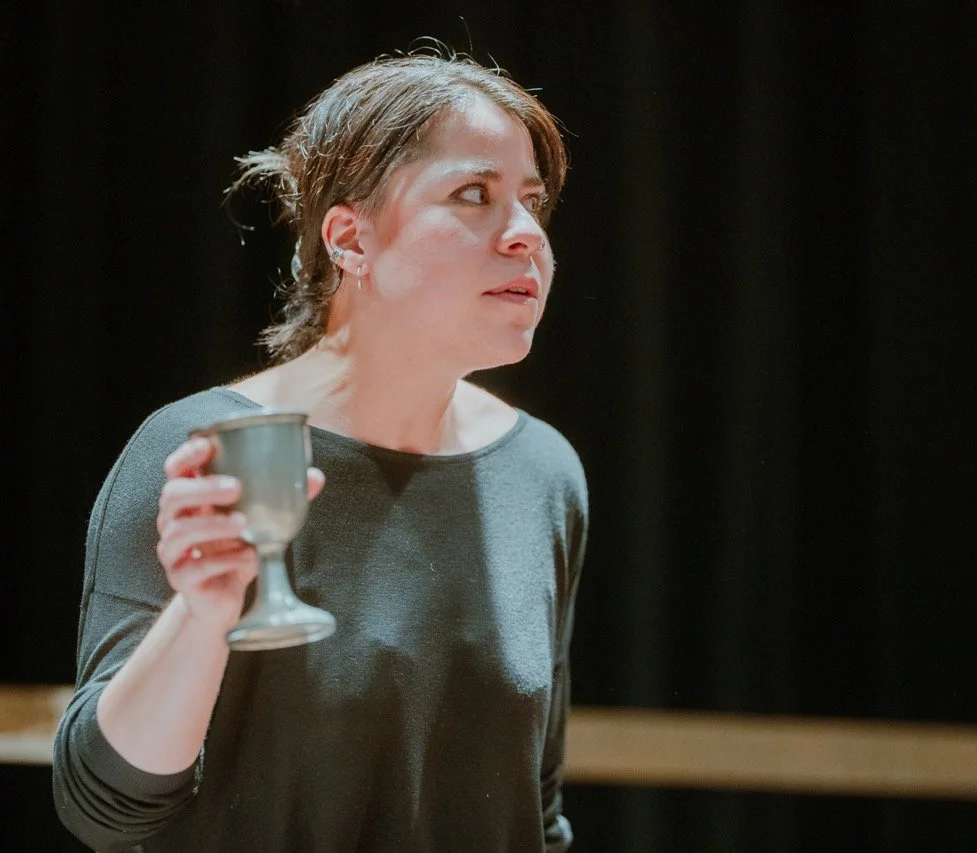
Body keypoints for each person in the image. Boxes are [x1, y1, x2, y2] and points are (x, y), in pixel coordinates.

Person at [51, 48, 585, 852]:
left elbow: (533, 811)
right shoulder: (203, 450)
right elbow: (103, 809)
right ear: (349, 238)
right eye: (474, 194)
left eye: (532, 202)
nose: (526, 236)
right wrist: (201, 615)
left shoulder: (541, 471)